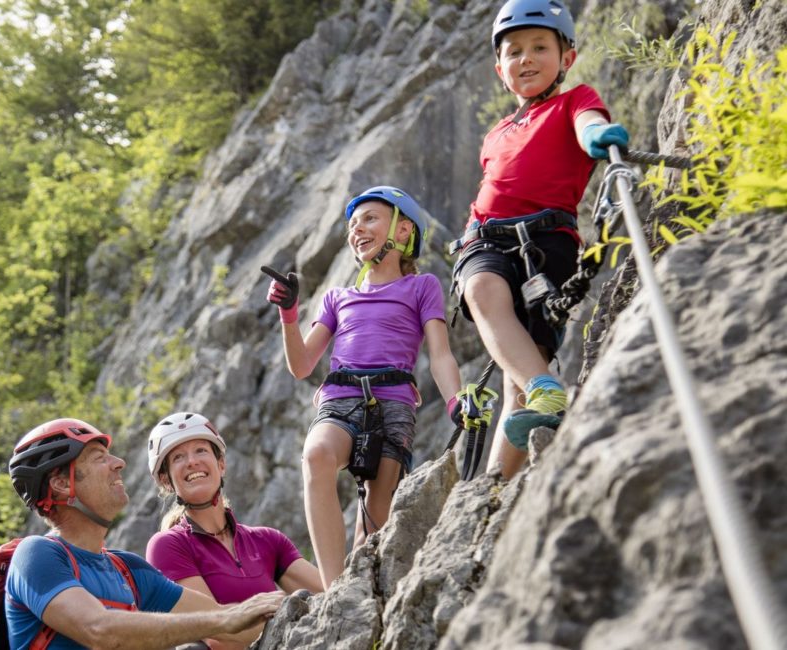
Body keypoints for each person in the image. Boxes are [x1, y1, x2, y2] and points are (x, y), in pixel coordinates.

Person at [449, 0, 630, 479]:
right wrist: (470, 234)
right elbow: (491, 189)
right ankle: (548, 390)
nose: (525, 59)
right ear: (500, 69)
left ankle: (492, 487)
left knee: (519, 385)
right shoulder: (496, 133)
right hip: (486, 238)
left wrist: (597, 137)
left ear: (566, 58)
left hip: (549, 243)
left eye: (539, 48)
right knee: (482, 290)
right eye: (513, 52)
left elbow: (586, 121)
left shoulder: (576, 100)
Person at [262, 186, 463, 589]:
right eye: (352, 224)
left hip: (393, 403)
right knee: (317, 455)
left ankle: (359, 591)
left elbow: (440, 353)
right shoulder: (338, 298)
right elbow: (302, 365)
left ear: (403, 231)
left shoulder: (422, 287)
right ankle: (334, 591)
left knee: (375, 514)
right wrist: (288, 314)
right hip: (341, 397)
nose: (357, 229)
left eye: (369, 218)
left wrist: (457, 400)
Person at [5, 417, 284, 649]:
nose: (119, 463)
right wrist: (226, 620)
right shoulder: (36, 555)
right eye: (99, 457)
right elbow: (99, 629)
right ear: (63, 484)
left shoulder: (129, 570)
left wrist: (300, 611)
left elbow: (231, 624)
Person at [144, 412, 323, 638]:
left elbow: (330, 594)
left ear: (221, 465)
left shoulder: (268, 540)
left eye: (201, 450)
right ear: (166, 480)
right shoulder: (168, 546)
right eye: (178, 457)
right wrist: (289, 617)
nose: (191, 461)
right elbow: (215, 634)